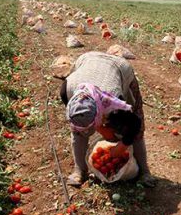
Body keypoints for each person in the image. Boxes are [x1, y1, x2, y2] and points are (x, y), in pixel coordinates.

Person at [60, 51, 155, 187]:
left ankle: (145, 171)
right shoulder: (66, 90)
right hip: (88, 60)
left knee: (136, 123)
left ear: (100, 112)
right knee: (78, 132)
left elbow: (135, 124)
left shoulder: (115, 104)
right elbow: (79, 121)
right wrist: (100, 128)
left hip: (119, 68)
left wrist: (122, 146)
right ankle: (80, 170)